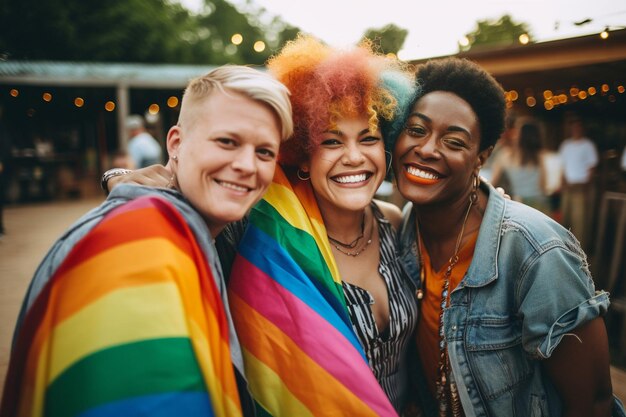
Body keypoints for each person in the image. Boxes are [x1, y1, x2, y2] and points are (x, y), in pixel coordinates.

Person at [104, 35, 420, 416]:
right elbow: (202, 193)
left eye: (368, 138)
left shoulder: (395, 221)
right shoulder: (263, 229)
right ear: (303, 155)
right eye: (332, 141)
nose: (354, 157)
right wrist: (121, 177)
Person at [1, 65, 293, 417]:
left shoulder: (217, 230)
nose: (247, 165)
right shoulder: (138, 248)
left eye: (264, 152)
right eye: (227, 142)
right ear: (176, 144)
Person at [392, 57, 623, 417]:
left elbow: (593, 402)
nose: (427, 148)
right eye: (417, 130)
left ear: (480, 158)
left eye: (453, 141)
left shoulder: (536, 251)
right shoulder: (403, 228)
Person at [491, 121, 550, 214]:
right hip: (539, 205)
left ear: (521, 136)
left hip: (518, 205)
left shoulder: (506, 155)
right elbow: (544, 186)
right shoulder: (540, 157)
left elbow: (492, 182)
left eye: (517, 131)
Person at [558, 118, 598, 249]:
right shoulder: (566, 145)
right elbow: (561, 166)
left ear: (582, 129)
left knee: (579, 220)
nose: (576, 130)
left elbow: (592, 167)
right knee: (565, 217)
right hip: (567, 186)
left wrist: (586, 185)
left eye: (578, 127)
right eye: (574, 127)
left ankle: (580, 248)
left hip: (580, 186)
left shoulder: (588, 145)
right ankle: (565, 246)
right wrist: (563, 182)